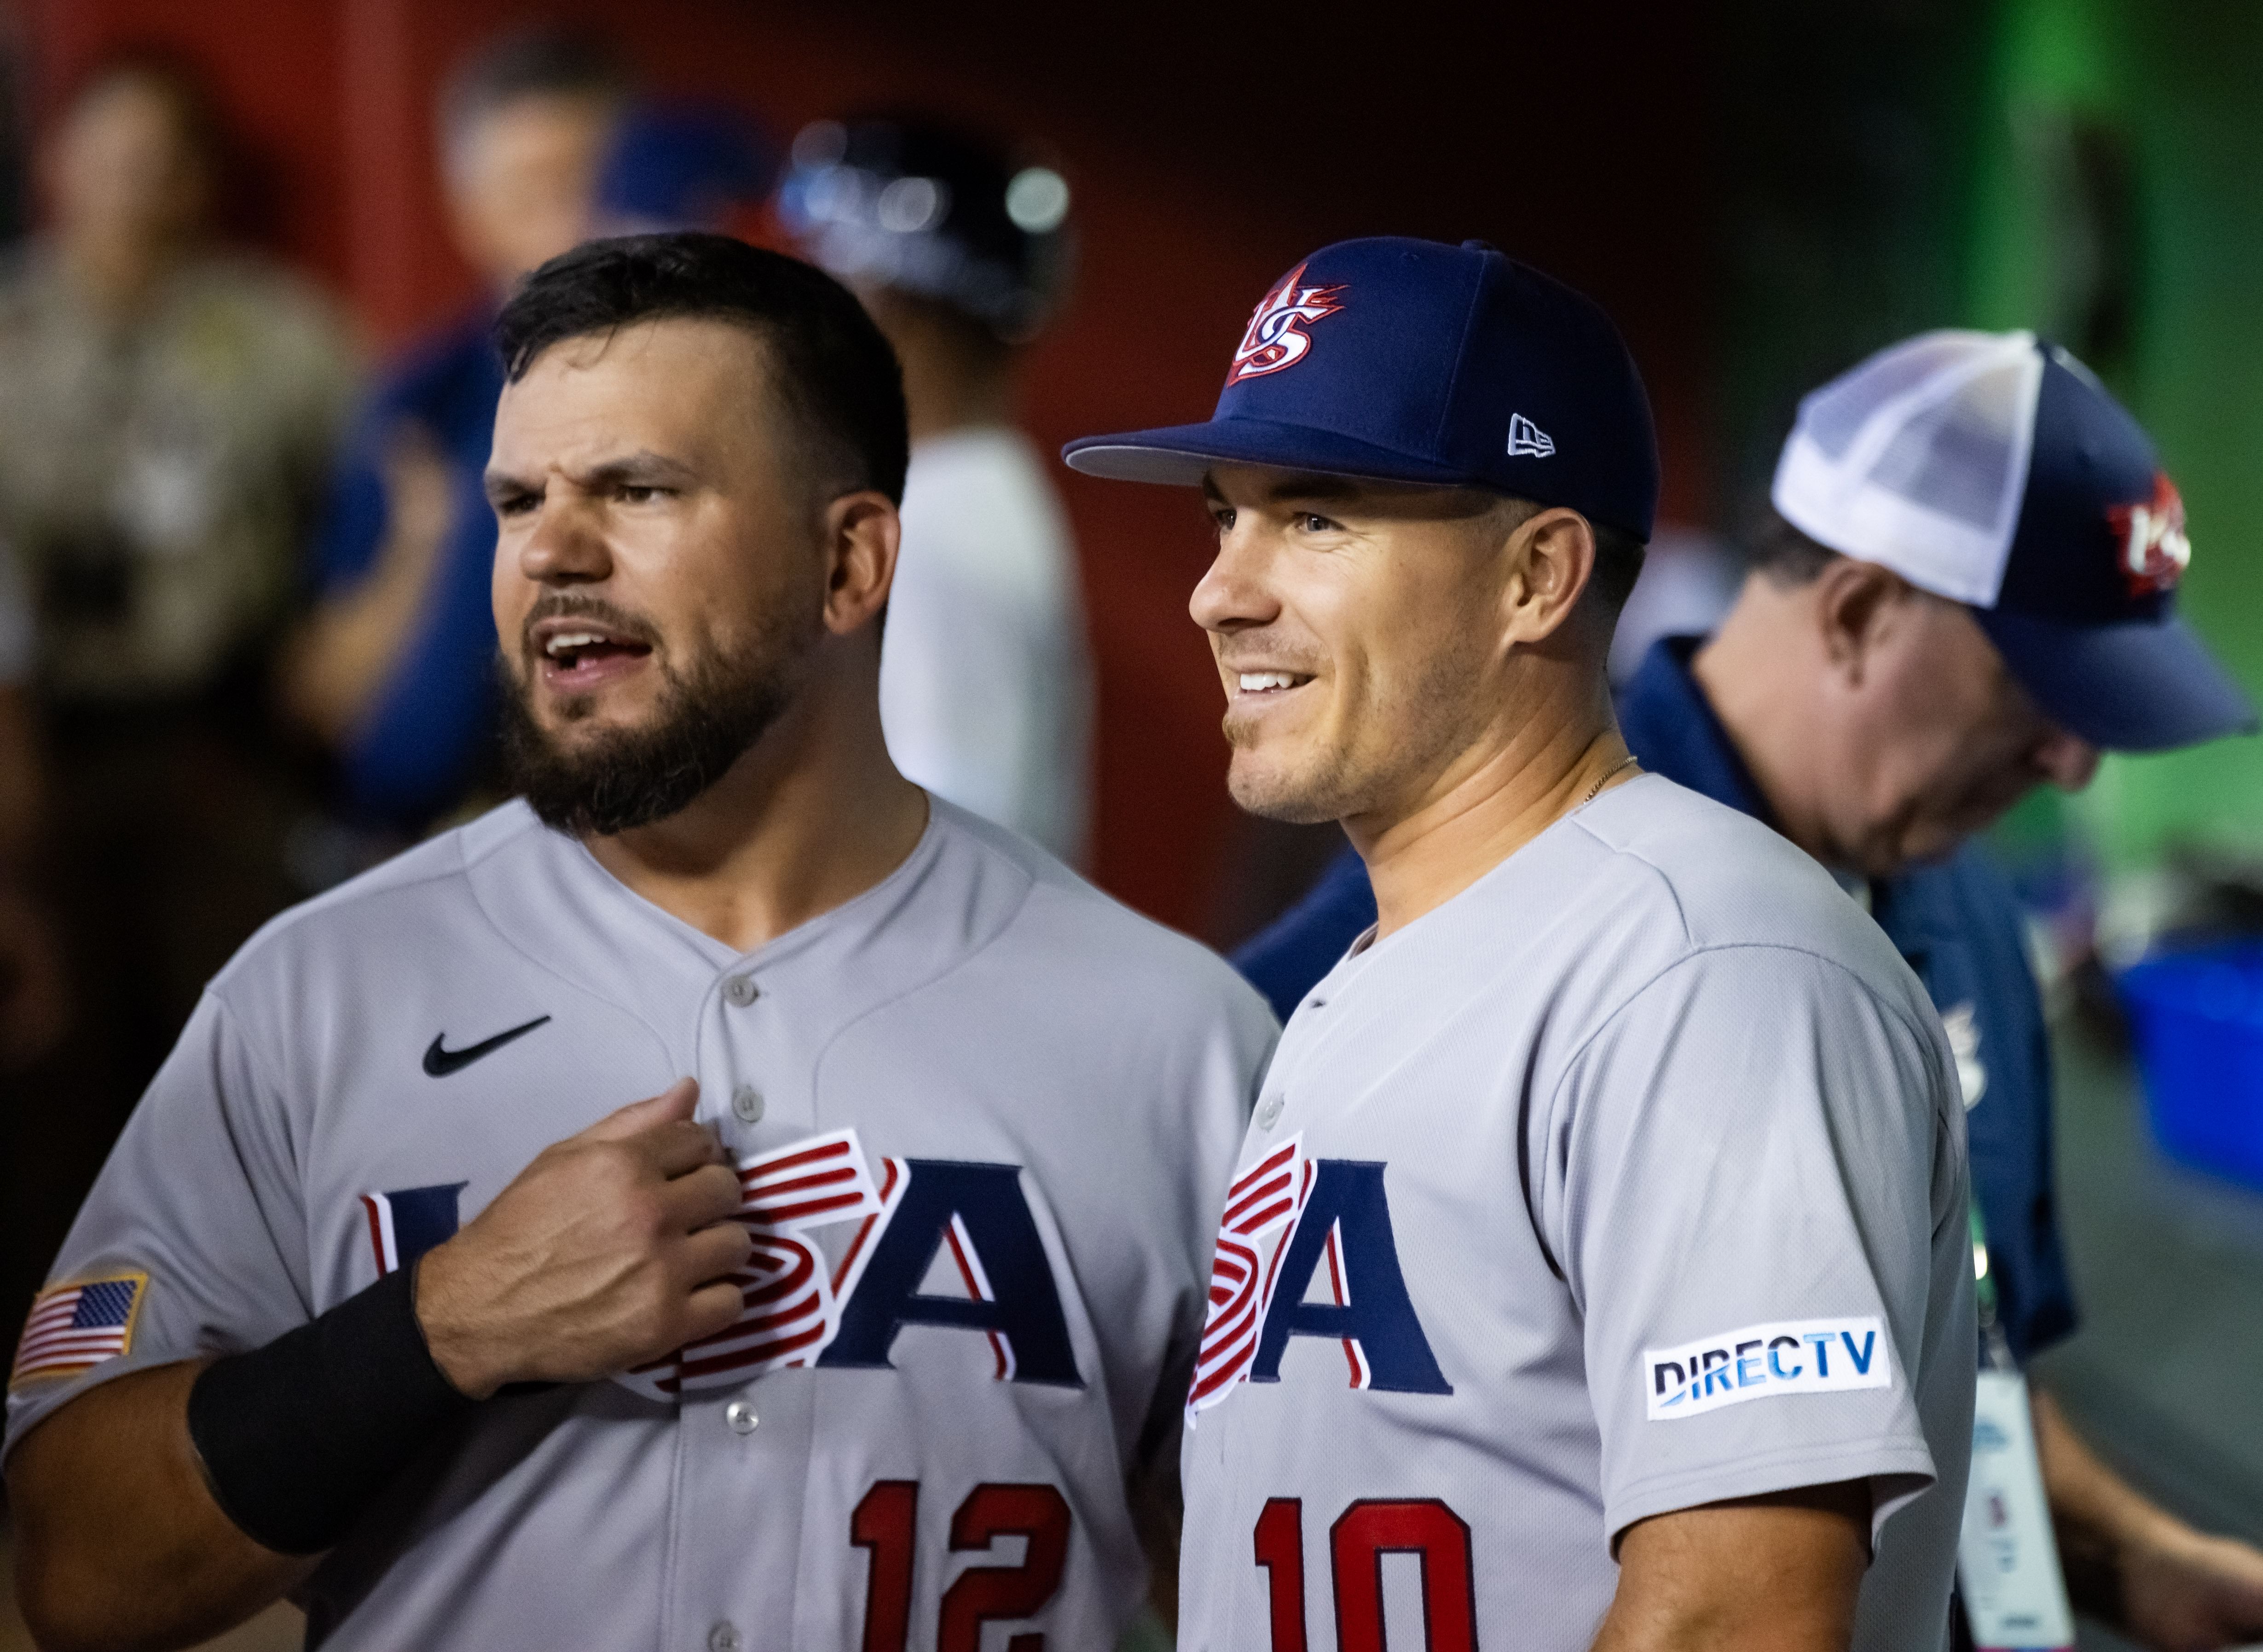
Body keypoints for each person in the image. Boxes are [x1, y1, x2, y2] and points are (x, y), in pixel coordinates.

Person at [6, 234, 1275, 1651]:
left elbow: (1271, 1567)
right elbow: (74, 1566)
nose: (549, 548)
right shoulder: (314, 993)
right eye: (518, 499)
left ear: (846, 560)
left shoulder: (1172, 1037)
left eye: (637, 488)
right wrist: (438, 1326)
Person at [1233, 328, 2263, 1650]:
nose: (2070, 761)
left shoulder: (1952, 905)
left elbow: (1952, 1370)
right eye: (2036, 687)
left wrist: (2149, 1558)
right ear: (1853, 612)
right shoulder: (1447, 934)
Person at [1065, 237, 1974, 1650]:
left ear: (1537, 575)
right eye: (1221, 517)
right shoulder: (1385, 973)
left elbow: (1737, 1611)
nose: (1219, 591)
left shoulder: (1701, 967)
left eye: (1314, 518)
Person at [0, 54, 355, 1320]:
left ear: (201, 179)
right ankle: (54, 1387)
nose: (132, 185)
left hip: (224, 745)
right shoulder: (12, 330)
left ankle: (242, 1366)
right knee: (51, 1084)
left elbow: (362, 503)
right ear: (58, 163)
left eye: (161, 158)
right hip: (42, 755)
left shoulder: (282, 335)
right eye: (108, 153)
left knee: (236, 1059)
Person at [283, 30, 624, 838]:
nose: (575, 224)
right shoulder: (424, 403)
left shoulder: (740, 389)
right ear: (470, 213)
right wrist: (424, 543)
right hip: (453, 840)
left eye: (595, 183)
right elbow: (325, 701)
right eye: (533, 192)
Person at [781, 117, 1092, 864]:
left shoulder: (943, 528)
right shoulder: (967, 500)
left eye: (838, 277)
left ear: (897, 306)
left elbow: (953, 844)